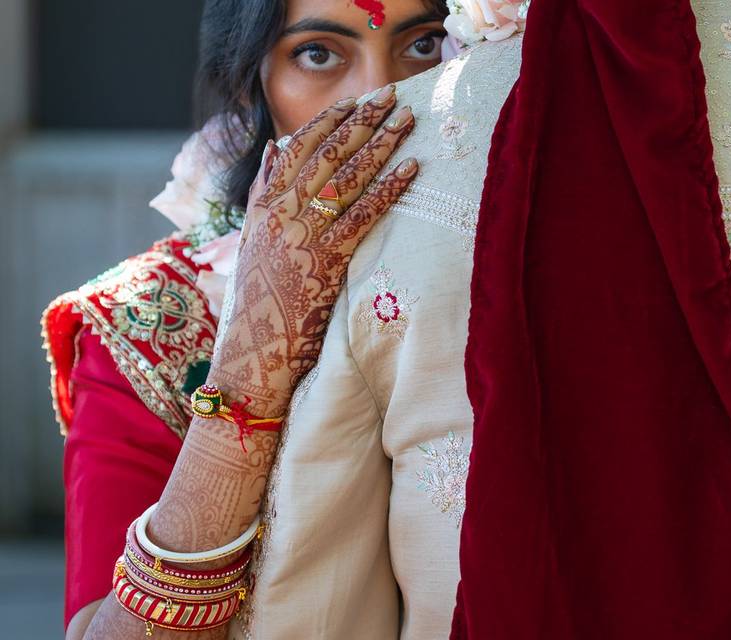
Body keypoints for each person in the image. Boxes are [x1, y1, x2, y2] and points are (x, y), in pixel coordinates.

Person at [41, 0, 449, 636]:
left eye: (426, 44)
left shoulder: (544, 269)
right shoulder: (151, 322)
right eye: (318, 53)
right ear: (248, 82)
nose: (382, 96)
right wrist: (253, 361)